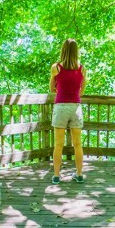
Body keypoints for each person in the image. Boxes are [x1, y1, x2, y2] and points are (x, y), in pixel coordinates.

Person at [49, 38, 86, 184]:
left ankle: (57, 176)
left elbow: (52, 89)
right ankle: (79, 174)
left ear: (63, 50)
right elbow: (82, 91)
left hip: (61, 107)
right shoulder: (82, 68)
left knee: (58, 144)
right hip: (75, 107)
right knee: (77, 144)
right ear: (76, 50)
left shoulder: (56, 67)